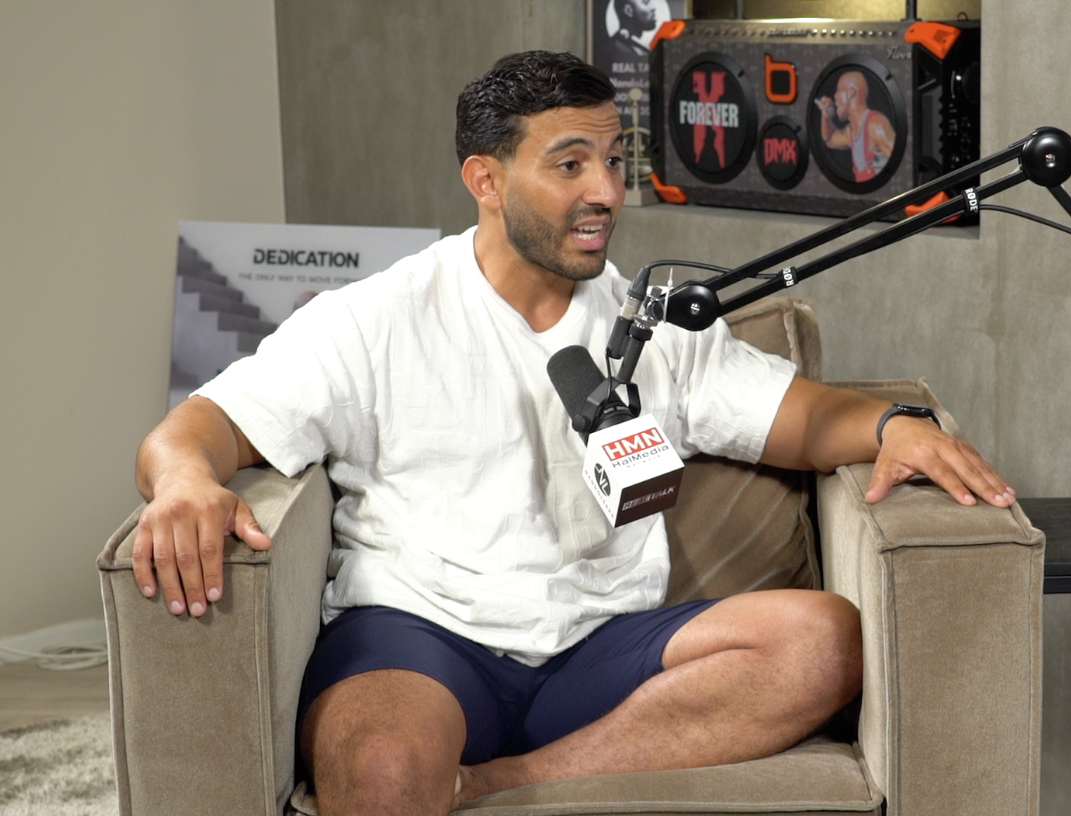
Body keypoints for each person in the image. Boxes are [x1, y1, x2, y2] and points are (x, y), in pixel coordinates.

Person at [132, 51, 1016, 814]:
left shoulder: (654, 323)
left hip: (603, 645)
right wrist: (184, 481)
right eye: (570, 164)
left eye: (613, 160)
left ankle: (501, 783)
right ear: (486, 180)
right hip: (423, 635)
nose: (606, 192)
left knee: (822, 640)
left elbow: (810, 420)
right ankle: (452, 770)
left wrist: (893, 425)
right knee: (381, 771)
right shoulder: (373, 319)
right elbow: (196, 428)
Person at [816, 70, 897, 183]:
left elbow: (901, 164)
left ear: (851, 92)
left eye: (838, 90)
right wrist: (825, 117)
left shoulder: (876, 125)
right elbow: (829, 139)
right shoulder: (851, 131)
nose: (835, 96)